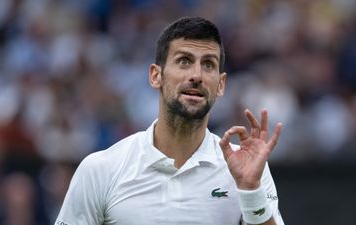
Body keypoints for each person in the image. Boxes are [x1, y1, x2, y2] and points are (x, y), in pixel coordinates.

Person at [55, 16, 284, 225]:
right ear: (156, 76)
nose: (197, 75)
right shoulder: (101, 169)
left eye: (208, 65)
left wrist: (250, 190)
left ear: (221, 84)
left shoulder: (248, 171)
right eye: (184, 61)